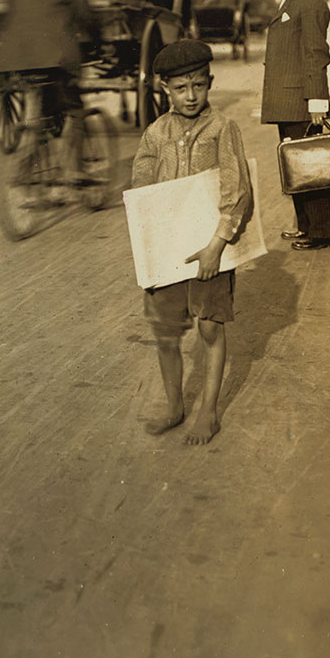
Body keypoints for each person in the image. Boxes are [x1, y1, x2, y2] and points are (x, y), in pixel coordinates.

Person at [131, 39, 252, 445]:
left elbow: (238, 192)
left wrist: (217, 245)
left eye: (198, 85)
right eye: (180, 88)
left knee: (209, 328)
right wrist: (149, 253)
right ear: (165, 88)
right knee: (166, 333)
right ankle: (174, 406)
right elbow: (142, 195)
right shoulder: (154, 134)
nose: (190, 96)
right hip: (166, 250)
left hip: (208, 249)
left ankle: (209, 412)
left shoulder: (222, 128)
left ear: (210, 83)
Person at [0, 0, 100, 178]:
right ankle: (74, 169)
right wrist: (96, 40)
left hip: (18, 57)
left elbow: (7, 14)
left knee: (38, 111)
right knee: (75, 108)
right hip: (56, 56)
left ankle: (25, 171)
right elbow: (83, 13)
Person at [261, 0, 330, 250]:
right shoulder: (291, 0)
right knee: (296, 167)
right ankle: (306, 226)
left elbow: (316, 55)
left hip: (302, 103)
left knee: (312, 169)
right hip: (288, 102)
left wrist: (317, 102)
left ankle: (322, 232)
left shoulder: (310, 2)